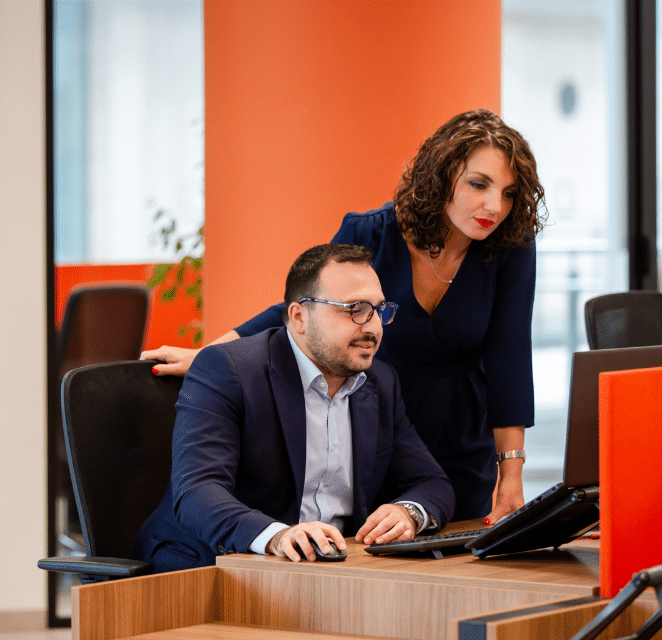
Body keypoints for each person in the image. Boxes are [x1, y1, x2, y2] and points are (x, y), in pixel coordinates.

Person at [141, 108, 545, 524]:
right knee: (368, 543)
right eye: (479, 184)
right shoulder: (371, 233)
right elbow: (304, 308)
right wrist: (209, 355)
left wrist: (511, 477)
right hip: (378, 420)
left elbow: (509, 356)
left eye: (510, 193)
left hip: (461, 431)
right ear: (442, 177)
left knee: (455, 550)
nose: (494, 206)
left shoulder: (510, 246)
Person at [135, 244, 455, 572]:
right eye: (356, 309)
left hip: (328, 570)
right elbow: (197, 493)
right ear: (299, 317)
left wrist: (408, 513)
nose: (373, 327)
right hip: (210, 568)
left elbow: (433, 483)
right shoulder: (228, 370)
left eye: (378, 309)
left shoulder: (379, 382)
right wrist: (277, 536)